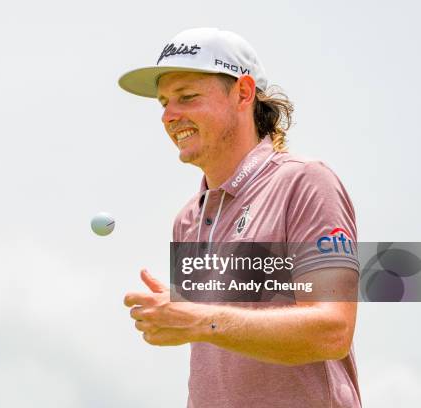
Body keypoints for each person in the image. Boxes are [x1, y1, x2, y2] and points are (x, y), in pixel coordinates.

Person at [119, 28, 361, 408]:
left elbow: (332, 330)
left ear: (243, 94)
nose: (168, 116)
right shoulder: (187, 219)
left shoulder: (306, 182)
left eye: (187, 97)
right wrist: (193, 319)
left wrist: (197, 319)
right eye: (164, 102)